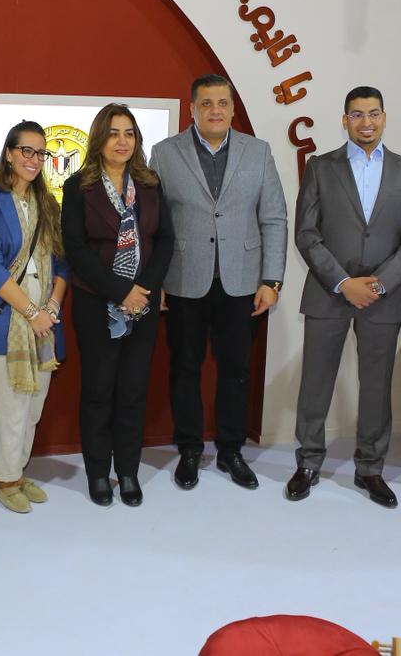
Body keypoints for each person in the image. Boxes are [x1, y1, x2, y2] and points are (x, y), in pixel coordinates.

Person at [287, 85, 401, 507]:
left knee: (376, 387)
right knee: (316, 382)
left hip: (383, 297)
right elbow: (306, 233)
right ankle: (308, 462)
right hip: (328, 292)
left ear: (384, 117)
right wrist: (343, 281)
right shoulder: (320, 167)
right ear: (344, 120)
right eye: (357, 114)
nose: (366, 122)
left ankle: (370, 468)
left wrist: (379, 283)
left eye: (373, 113)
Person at [149, 74, 287, 492]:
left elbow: (274, 218)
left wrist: (271, 279)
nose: (215, 111)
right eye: (206, 103)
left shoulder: (258, 151)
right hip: (183, 280)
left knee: (236, 371)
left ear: (232, 108)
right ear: (192, 108)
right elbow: (153, 222)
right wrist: (156, 279)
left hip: (242, 282)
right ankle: (189, 449)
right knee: (185, 369)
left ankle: (231, 450)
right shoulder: (165, 153)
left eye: (222, 103)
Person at [61, 103, 174, 507]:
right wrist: (119, 291)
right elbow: (76, 249)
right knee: (98, 390)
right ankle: (97, 473)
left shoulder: (149, 184)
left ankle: (127, 471)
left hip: (143, 305)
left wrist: (143, 288)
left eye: (129, 133)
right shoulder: (78, 187)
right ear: (99, 139)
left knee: (132, 391)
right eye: (113, 133)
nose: (122, 141)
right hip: (97, 305)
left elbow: (165, 240)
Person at [0, 121, 69, 513]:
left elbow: (62, 264)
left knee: (33, 407)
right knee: (10, 409)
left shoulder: (48, 203)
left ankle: (18, 472)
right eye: (26, 150)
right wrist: (30, 312)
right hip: (6, 321)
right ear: (9, 153)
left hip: (44, 323)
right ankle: (5, 480)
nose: (34, 159)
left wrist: (52, 307)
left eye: (41, 152)